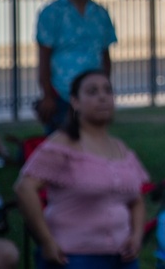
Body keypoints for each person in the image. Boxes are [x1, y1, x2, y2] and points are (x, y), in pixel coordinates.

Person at [13, 70, 148, 268]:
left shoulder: (120, 148)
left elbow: (136, 199)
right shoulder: (62, 145)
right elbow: (24, 189)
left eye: (107, 91)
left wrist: (136, 236)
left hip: (123, 257)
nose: (102, 97)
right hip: (74, 258)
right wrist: (46, 241)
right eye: (92, 92)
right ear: (75, 102)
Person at [35, 0, 117, 132]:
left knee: (93, 143)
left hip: (92, 94)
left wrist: (105, 88)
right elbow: (44, 56)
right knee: (63, 143)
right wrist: (48, 95)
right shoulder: (52, 12)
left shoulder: (100, 13)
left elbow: (105, 55)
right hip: (62, 92)